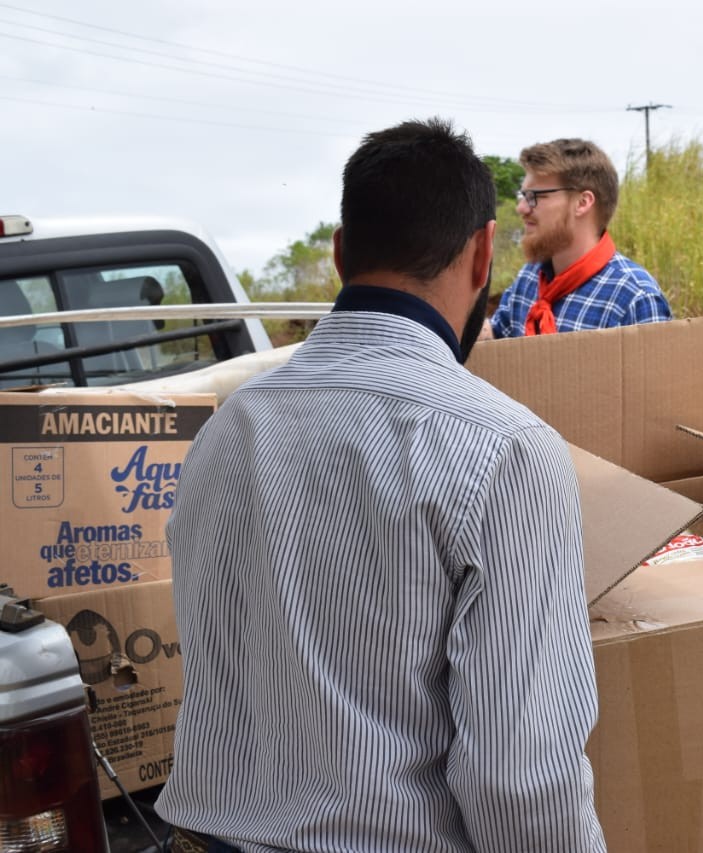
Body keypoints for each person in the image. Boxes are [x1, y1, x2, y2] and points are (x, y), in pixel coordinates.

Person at [156, 119, 606, 852]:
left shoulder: (225, 434)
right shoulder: (506, 452)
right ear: (484, 251)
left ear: (339, 255)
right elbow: (522, 781)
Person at [487, 138, 672, 337]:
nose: (521, 208)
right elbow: (497, 337)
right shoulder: (529, 277)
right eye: (522, 195)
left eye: (535, 196)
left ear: (582, 203)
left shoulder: (636, 298)